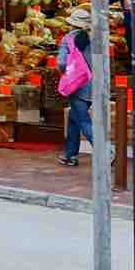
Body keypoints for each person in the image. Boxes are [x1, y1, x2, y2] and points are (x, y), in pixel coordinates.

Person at [59, 14, 96, 167]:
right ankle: (70, 155)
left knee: (83, 121)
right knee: (74, 119)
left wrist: (67, 73)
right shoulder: (96, 38)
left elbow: (61, 62)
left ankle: (106, 151)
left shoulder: (68, 38)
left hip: (77, 86)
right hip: (94, 84)